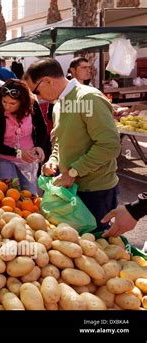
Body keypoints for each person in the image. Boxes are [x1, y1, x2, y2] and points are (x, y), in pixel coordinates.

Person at [25, 58, 121, 232]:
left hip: (96, 191)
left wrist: (74, 171)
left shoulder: (88, 98)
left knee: (97, 246)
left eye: (36, 91)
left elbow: (110, 145)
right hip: (71, 190)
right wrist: (53, 161)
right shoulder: (58, 105)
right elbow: (60, 141)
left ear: (47, 81)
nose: (38, 97)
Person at [0, 80, 48, 194]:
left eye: (12, 103)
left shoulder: (32, 105)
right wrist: (19, 153)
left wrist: (39, 147)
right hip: (5, 158)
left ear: (22, 102)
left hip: (29, 159)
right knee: (9, 194)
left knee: (30, 194)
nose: (7, 106)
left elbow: (42, 128)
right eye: (4, 101)